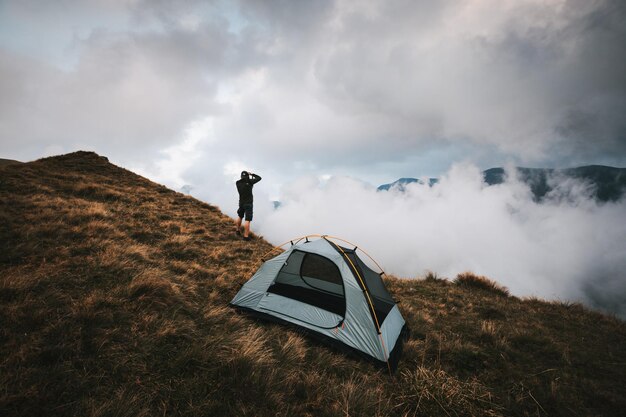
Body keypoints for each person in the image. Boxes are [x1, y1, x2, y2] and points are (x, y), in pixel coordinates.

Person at [235, 171, 262, 241]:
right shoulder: (250, 181)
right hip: (248, 203)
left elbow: (244, 182)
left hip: (241, 203)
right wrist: (252, 174)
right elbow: (259, 178)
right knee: (247, 220)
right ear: (247, 176)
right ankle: (245, 236)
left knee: (240, 216)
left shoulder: (237, 183)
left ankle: (237, 230)